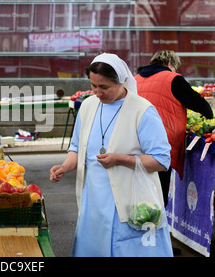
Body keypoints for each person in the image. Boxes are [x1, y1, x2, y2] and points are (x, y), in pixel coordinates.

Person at [50, 53, 173, 257]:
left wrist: (121, 159)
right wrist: (64, 167)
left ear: (122, 82)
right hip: (94, 200)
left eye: (104, 87)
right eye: (93, 86)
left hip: (130, 199)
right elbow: (77, 147)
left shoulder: (142, 111)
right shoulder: (88, 106)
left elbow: (161, 161)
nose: (97, 92)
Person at [135, 50, 213, 205]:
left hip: (135, 142)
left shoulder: (136, 79)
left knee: (140, 192)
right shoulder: (173, 79)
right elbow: (202, 106)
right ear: (171, 64)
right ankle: (155, 227)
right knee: (158, 196)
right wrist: (209, 116)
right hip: (161, 143)